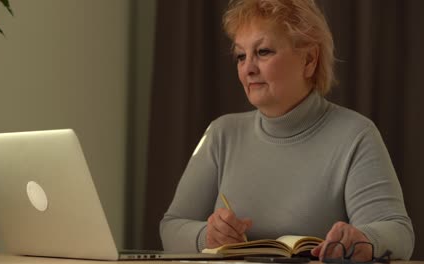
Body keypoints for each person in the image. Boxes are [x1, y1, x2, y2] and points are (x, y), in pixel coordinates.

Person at [160, 0, 414, 260]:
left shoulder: (356, 134)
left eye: (263, 52)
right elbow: (171, 227)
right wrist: (207, 236)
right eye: (241, 56)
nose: (248, 68)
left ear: (309, 59)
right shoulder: (221, 133)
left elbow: (398, 232)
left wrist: (364, 239)